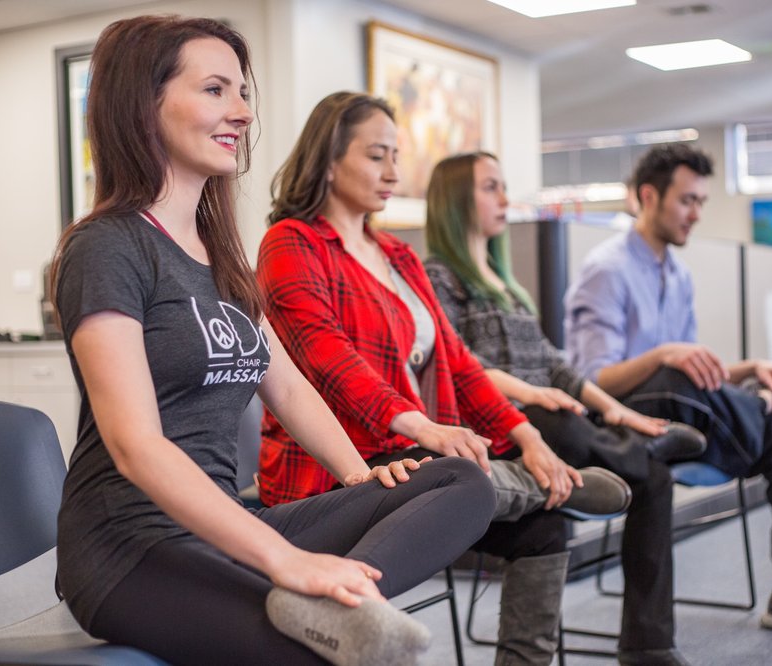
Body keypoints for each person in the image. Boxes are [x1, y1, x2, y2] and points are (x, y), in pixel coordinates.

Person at [49, 17, 499, 666]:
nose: (241, 111)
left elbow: (286, 386)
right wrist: (288, 561)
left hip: (226, 524)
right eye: (215, 90)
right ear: (143, 104)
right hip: (129, 547)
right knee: (319, 655)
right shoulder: (107, 247)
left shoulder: (219, 255)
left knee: (459, 480)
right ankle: (327, 611)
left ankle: (333, 606)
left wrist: (361, 480)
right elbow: (135, 447)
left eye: (243, 92)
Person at [256, 91, 631, 666]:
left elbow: (457, 358)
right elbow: (328, 358)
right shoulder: (292, 244)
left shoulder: (401, 256)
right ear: (329, 161)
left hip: (407, 454)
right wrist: (426, 428)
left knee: (544, 528)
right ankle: (565, 483)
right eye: (376, 156)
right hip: (338, 467)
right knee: (464, 477)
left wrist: (527, 436)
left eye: (397, 157)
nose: (393, 174)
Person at [564, 142, 772, 661]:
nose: (697, 214)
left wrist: (749, 368)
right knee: (674, 374)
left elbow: (697, 369)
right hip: (617, 423)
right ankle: (765, 409)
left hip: (684, 415)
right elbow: (593, 380)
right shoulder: (607, 269)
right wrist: (667, 353)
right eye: (687, 201)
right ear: (648, 196)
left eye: (701, 202)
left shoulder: (676, 274)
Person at [422, 151, 711, 665]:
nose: (506, 199)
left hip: (549, 416)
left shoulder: (505, 284)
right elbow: (455, 368)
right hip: (498, 422)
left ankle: (648, 644)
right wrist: (529, 395)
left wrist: (614, 410)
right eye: (491, 187)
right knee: (556, 418)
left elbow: (558, 366)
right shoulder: (437, 278)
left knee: (654, 478)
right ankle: (639, 450)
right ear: (454, 200)